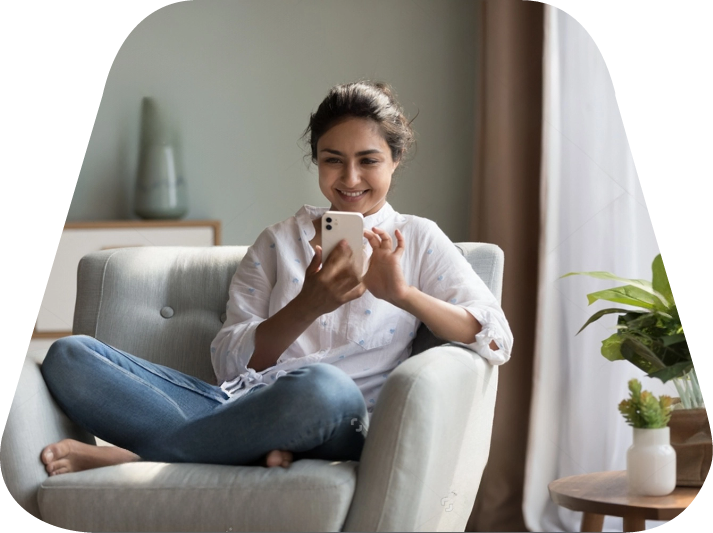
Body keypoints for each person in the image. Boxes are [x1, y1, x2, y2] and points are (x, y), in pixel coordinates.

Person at [39, 80, 513, 476]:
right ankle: (243, 448)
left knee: (319, 386)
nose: (350, 178)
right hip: (234, 407)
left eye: (368, 160)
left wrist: (404, 295)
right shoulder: (277, 242)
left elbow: (494, 338)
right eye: (333, 160)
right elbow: (228, 364)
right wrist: (308, 304)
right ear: (317, 161)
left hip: (337, 414)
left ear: (394, 160)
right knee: (70, 355)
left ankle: (131, 456)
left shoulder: (420, 239)